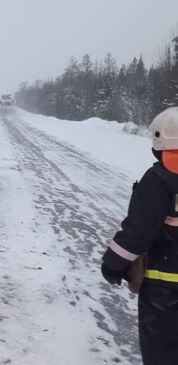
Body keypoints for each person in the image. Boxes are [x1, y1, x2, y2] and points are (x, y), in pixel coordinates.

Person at [101, 107, 178, 365]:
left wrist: (112, 265)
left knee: (163, 353)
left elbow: (138, 232)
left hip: (165, 291)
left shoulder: (159, 180)